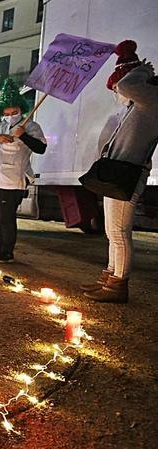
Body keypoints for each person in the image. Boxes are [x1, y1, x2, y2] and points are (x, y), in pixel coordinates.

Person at [82, 41, 157, 303]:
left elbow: (127, 85)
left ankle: (119, 284)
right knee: (111, 230)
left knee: (120, 232)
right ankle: (110, 275)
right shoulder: (134, 106)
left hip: (129, 172)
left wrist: (142, 70)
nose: (116, 91)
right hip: (116, 171)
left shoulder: (150, 100)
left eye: (116, 86)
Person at [0, 78, 46, 263]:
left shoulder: (31, 127)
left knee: (6, 217)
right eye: (6, 113)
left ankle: (7, 250)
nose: (10, 116)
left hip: (12, 180)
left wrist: (23, 136)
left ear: (20, 110)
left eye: (14, 112)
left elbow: (41, 148)